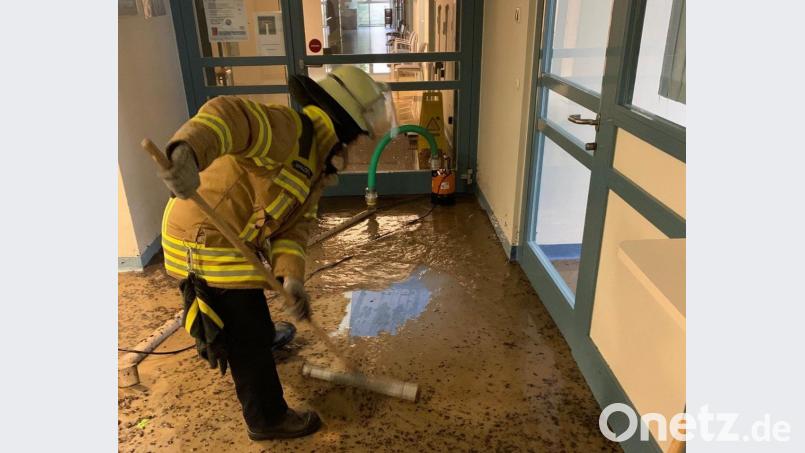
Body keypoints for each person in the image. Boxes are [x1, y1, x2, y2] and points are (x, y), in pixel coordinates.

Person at [155, 66, 396, 440]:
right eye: (357, 138)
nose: (355, 147)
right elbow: (228, 115)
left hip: (232, 237)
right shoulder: (287, 132)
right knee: (246, 335)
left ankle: (263, 334)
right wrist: (188, 151)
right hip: (204, 238)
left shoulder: (314, 165)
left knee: (253, 315)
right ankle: (267, 419)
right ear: (345, 127)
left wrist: (292, 279)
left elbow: (292, 229)